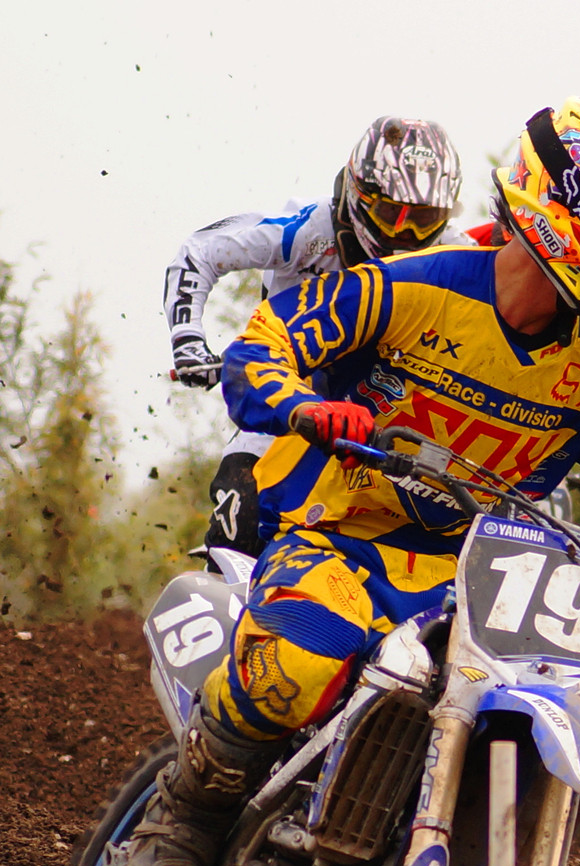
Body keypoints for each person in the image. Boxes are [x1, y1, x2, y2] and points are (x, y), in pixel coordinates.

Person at [118, 99, 580, 866]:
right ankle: (186, 816)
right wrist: (305, 407)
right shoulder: (412, 287)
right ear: (568, 219)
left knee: (526, 699)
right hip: (339, 535)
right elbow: (264, 348)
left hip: (475, 577)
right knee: (300, 663)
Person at [165, 117, 472, 557]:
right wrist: (188, 340)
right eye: (391, 213)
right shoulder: (306, 230)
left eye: (424, 219)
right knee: (239, 524)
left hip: (385, 427)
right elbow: (200, 251)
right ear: (358, 193)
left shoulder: (458, 253)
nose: (405, 235)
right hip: (289, 411)